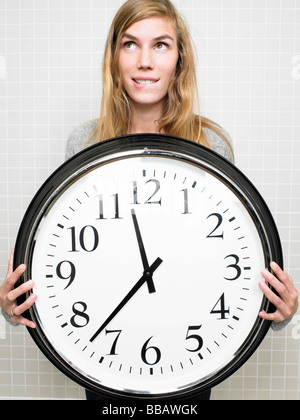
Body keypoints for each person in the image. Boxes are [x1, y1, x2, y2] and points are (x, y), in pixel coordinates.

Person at [0, 0, 298, 400]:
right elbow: (62, 258)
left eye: (160, 45)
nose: (144, 61)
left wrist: (282, 313)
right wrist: (13, 307)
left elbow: (233, 262)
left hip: (188, 357)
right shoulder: (84, 143)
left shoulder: (211, 146)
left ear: (179, 59)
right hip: (106, 360)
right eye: (130, 44)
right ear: (114, 58)